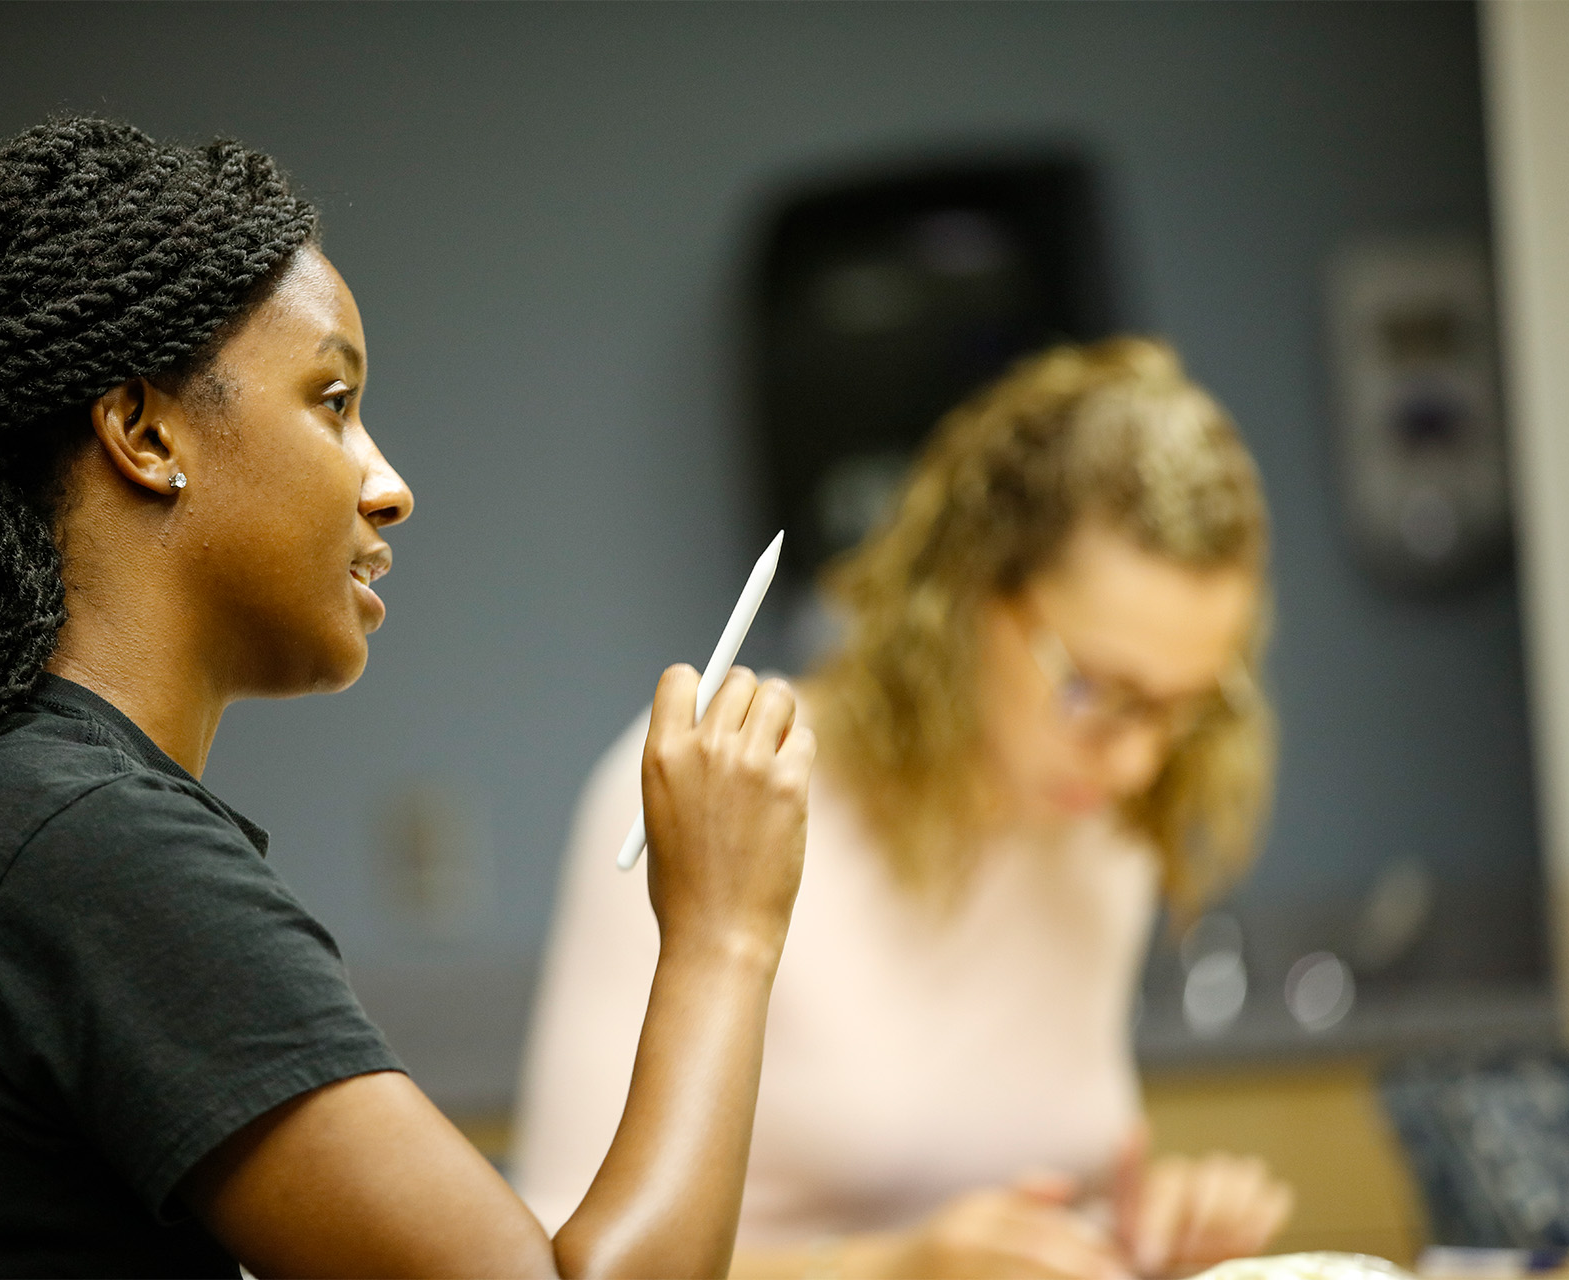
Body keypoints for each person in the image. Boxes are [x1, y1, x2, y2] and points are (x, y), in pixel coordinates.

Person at [0, 118, 817, 1278]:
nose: (391, 487)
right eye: (333, 400)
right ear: (143, 429)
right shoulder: (90, 851)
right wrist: (723, 934)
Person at [514, 338, 1296, 1280]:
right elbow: (551, 1256)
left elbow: (1010, 1197)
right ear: (967, 594)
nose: (1137, 759)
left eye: (1183, 706)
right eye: (1097, 688)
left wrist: (1129, 1233)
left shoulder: (1102, 828)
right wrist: (890, 1270)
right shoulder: (714, 785)